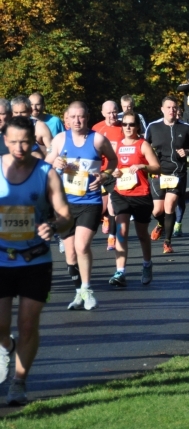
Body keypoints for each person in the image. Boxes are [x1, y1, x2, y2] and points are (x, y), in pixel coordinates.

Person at [0, 116, 73, 406]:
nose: (20, 147)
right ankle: (7, 347)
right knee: (1, 327)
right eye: (14, 141)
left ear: (34, 141)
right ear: (5, 140)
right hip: (1, 260)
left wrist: (53, 226)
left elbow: (66, 215)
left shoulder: (46, 173)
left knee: (28, 323)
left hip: (35, 261)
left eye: (25, 142)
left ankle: (19, 382)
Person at [46, 102, 118, 311]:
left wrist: (104, 175)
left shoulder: (97, 139)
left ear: (87, 117)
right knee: (69, 255)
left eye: (81, 117)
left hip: (90, 201)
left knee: (81, 246)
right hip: (65, 204)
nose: (77, 121)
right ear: (66, 119)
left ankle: (87, 289)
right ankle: (79, 292)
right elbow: (44, 165)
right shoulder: (60, 140)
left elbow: (112, 161)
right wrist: (55, 162)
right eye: (73, 117)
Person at [108, 111, 161, 287]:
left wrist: (142, 166)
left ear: (138, 126)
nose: (128, 128)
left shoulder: (143, 145)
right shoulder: (117, 145)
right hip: (121, 193)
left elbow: (156, 168)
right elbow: (112, 167)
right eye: (125, 124)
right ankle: (120, 271)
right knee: (121, 232)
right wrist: (114, 172)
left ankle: (147, 264)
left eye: (131, 124)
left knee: (141, 235)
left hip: (141, 195)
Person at [145, 96, 189, 254]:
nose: (172, 110)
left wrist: (188, 151)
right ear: (162, 109)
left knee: (170, 206)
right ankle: (161, 224)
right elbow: (144, 147)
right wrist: (148, 167)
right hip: (158, 173)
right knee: (157, 211)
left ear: (178, 110)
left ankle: (167, 242)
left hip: (177, 173)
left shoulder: (185, 127)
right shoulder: (153, 127)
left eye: (174, 107)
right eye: (168, 107)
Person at [92, 101, 125, 252]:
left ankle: (112, 236)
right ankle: (105, 217)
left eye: (115, 112)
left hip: (115, 171)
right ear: (103, 113)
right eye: (109, 112)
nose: (112, 115)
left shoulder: (123, 127)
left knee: (112, 205)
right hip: (99, 172)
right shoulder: (97, 129)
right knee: (102, 207)